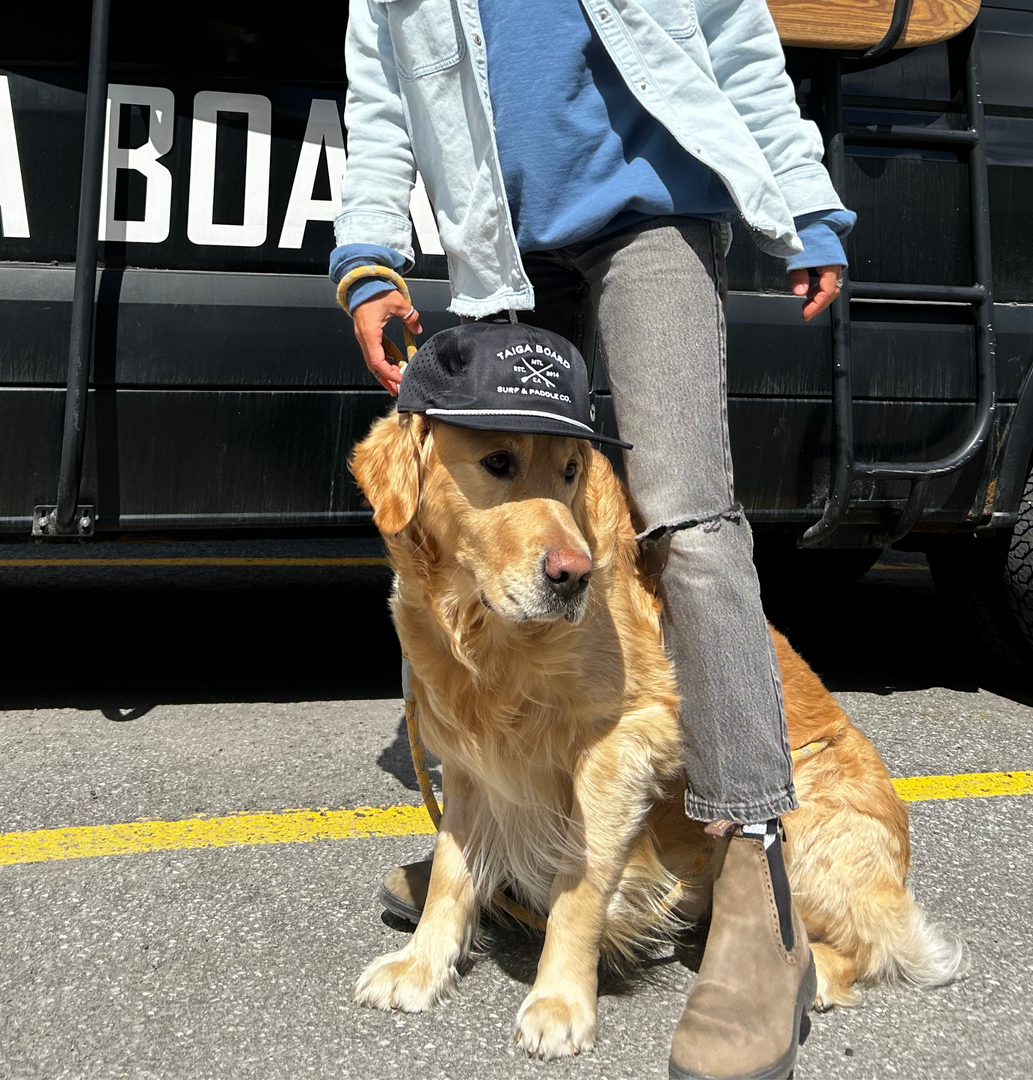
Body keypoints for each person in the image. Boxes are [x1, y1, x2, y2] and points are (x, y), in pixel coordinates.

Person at [331, 3, 854, 1077]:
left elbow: (735, 35)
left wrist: (801, 196)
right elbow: (382, 93)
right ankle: (496, 857)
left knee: (688, 524)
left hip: (650, 217)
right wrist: (370, 255)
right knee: (497, 548)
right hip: (497, 246)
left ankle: (755, 878)